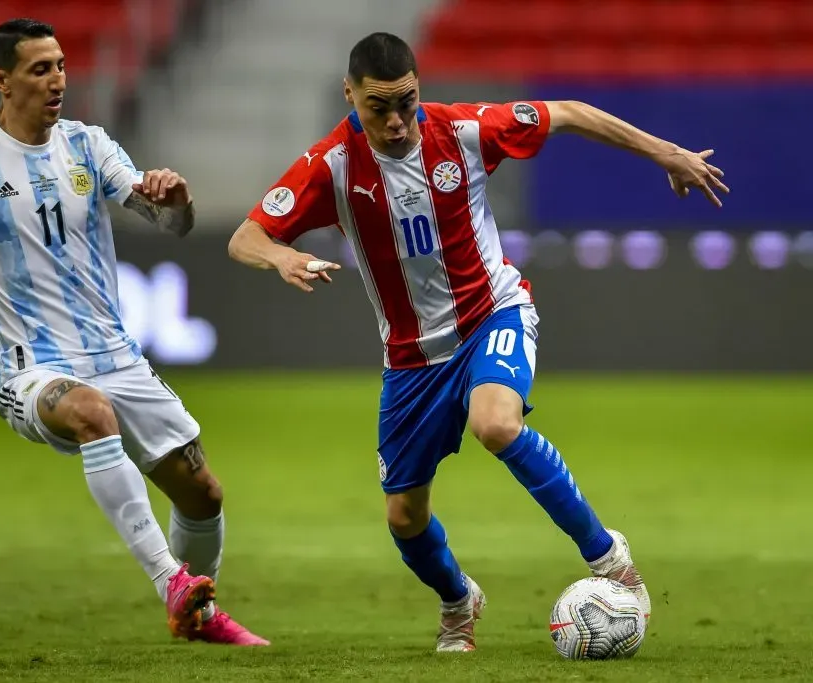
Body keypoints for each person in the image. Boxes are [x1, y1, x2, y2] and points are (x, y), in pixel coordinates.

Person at [228, 32, 729, 652]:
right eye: (377, 107)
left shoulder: (462, 131)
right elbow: (246, 235)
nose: (394, 121)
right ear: (349, 95)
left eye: (406, 103)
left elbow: (570, 113)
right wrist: (279, 257)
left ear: (420, 88)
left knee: (495, 423)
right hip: (411, 360)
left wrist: (667, 153)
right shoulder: (329, 166)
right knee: (403, 517)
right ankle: (459, 601)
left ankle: (608, 557)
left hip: (493, 313)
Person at [0, 18, 267, 647]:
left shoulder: (89, 145)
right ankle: (171, 581)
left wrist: (176, 201)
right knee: (91, 413)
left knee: (202, 495)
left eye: (60, 64)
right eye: (40, 69)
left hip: (116, 356)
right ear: (0, 82)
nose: (58, 79)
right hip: (31, 369)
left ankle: (195, 619)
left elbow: (171, 226)